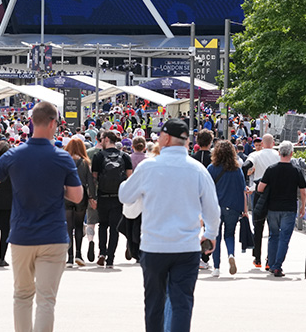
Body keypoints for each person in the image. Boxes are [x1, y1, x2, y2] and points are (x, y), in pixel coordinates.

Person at [0, 102, 83, 332]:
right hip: (53, 236)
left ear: (32, 122)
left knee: (22, 296)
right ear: (52, 123)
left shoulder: (13, 155)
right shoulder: (62, 158)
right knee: (46, 300)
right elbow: (77, 197)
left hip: (22, 236)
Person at [119, 118, 221, 332]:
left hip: (155, 246)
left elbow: (125, 195)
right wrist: (210, 234)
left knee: (154, 303)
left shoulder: (148, 167)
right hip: (187, 246)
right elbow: (212, 208)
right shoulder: (198, 169)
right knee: (182, 303)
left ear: (165, 138)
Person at [257, 140, 306, 277]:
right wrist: (302, 206)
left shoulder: (271, 169)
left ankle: (272, 264)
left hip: (272, 208)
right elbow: (303, 191)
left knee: (273, 236)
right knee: (284, 238)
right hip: (289, 208)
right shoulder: (296, 171)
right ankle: (278, 266)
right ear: (292, 153)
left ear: (279, 153)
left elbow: (260, 188)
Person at [91, 129, 133, 267]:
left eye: (102, 138)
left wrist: (93, 196)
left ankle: (102, 252)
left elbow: (94, 178)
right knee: (114, 228)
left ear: (107, 139)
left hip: (103, 195)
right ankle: (110, 259)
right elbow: (129, 178)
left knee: (103, 225)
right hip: (118, 197)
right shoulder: (125, 156)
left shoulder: (99, 156)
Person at [207, 139, 247, 277]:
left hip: (215, 207)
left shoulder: (211, 168)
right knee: (229, 234)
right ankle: (231, 254)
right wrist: (245, 210)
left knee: (215, 236)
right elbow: (243, 190)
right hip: (233, 207)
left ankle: (216, 267)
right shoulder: (237, 170)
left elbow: (206, 190)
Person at [245, 134, 278, 268]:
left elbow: (247, 165)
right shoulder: (278, 155)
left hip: (259, 191)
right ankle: (270, 260)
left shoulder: (256, 155)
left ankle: (257, 258)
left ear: (263, 144)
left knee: (258, 227)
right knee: (273, 229)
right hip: (275, 193)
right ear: (273, 143)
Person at [64, 136, 95, 267]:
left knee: (68, 227)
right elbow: (90, 182)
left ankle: (69, 257)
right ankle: (78, 254)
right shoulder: (84, 162)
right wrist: (92, 197)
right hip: (81, 194)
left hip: (66, 195)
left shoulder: (64, 161)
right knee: (78, 225)